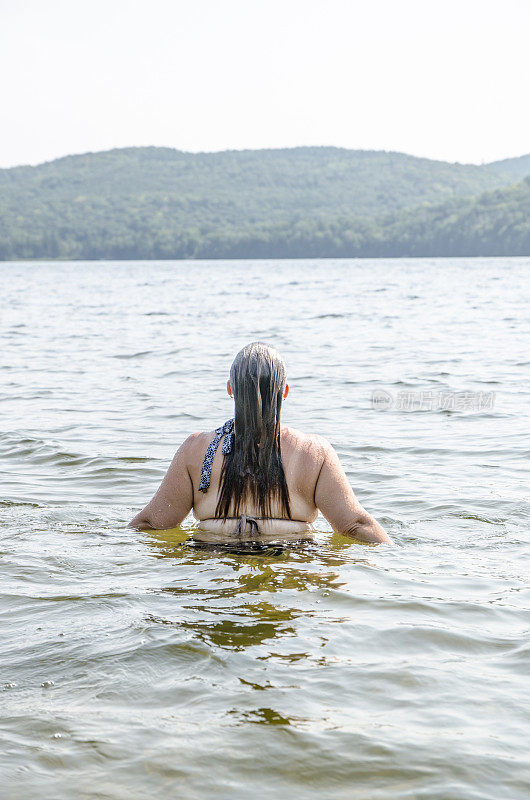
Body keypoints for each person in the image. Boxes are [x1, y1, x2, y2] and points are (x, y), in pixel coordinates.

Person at [128, 342, 393, 545]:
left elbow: (152, 523)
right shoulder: (314, 453)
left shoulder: (196, 449)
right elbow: (355, 525)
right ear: (285, 391)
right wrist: (397, 559)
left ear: (230, 389)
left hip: (214, 570)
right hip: (290, 569)